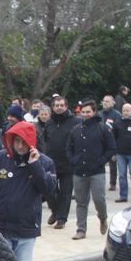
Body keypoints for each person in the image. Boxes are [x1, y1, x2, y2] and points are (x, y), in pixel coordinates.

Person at [0, 121, 58, 261]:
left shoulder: (45, 162)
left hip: (26, 229)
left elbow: (48, 189)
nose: (20, 146)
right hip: (1, 227)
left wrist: (34, 165)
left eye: (24, 141)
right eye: (17, 141)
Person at [66, 100, 115, 240]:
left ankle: (103, 217)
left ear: (94, 112)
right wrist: (72, 160)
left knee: (99, 199)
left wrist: (101, 161)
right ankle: (81, 229)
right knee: (81, 202)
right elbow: (69, 147)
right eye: (83, 112)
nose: (86, 114)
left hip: (96, 171)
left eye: (88, 112)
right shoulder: (76, 129)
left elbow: (111, 147)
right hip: (79, 171)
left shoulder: (103, 128)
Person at [43, 96, 81, 229]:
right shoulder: (49, 123)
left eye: (61, 105)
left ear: (66, 106)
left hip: (68, 162)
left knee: (65, 192)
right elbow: (45, 139)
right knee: (49, 190)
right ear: (52, 107)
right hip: (51, 162)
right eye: (56, 105)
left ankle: (61, 219)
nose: (59, 107)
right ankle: (54, 211)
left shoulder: (76, 121)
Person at [100, 95, 122, 192]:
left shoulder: (117, 115)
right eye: (104, 101)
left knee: (113, 164)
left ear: (113, 103)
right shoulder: (99, 114)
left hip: (112, 142)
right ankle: (100, 181)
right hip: (100, 143)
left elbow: (119, 130)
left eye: (107, 101)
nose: (105, 103)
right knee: (100, 163)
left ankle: (113, 183)